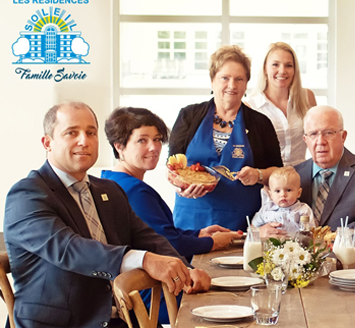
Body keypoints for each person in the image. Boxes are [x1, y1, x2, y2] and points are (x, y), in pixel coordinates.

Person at [4, 102, 210, 328]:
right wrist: (144, 259)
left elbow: (146, 237)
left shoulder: (109, 190)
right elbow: (69, 249)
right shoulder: (26, 195)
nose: (84, 141)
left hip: (122, 318)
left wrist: (185, 270)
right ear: (47, 143)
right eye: (71, 132)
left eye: (91, 133)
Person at [169, 45, 283, 232]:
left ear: (246, 83)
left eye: (239, 79)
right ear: (212, 80)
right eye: (225, 78)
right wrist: (180, 186)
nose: (232, 85)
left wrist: (258, 175)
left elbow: (279, 172)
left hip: (242, 222)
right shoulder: (188, 116)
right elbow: (172, 166)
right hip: (192, 219)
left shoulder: (260, 123)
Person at [101, 107, 241, 258]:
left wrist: (199, 233)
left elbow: (157, 232)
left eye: (157, 139)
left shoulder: (112, 179)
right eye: (142, 140)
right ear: (119, 146)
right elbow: (167, 244)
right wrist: (213, 243)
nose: (154, 147)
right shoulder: (134, 190)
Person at [286, 105, 355, 236]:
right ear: (305, 140)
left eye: (328, 133)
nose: (320, 141)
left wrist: (339, 235)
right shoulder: (294, 175)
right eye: (313, 134)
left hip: (349, 254)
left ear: (343, 136)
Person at [246, 42, 317, 166]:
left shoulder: (307, 97)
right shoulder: (250, 106)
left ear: (295, 70)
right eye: (275, 64)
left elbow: (317, 139)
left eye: (288, 65)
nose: (282, 71)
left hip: (303, 175)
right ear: (265, 68)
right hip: (270, 180)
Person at [252, 166, 314, 234]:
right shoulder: (266, 208)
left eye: (288, 190)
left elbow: (311, 233)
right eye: (277, 191)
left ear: (298, 193)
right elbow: (253, 227)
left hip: (295, 244)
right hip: (269, 243)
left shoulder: (303, 210)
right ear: (271, 194)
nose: (283, 195)